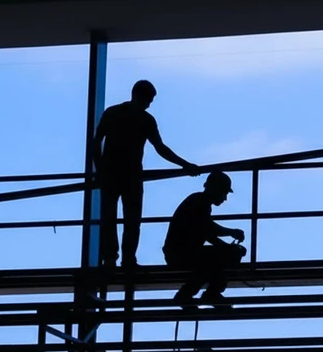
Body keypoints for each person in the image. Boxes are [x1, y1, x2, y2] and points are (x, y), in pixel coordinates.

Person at [93, 80, 198, 268]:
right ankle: (127, 259)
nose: (149, 104)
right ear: (139, 96)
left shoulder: (113, 113)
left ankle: (111, 258)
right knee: (131, 221)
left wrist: (100, 169)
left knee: (110, 218)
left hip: (112, 174)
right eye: (148, 100)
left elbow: (97, 142)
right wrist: (185, 165)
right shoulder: (145, 120)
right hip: (131, 176)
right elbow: (160, 148)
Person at [163, 170, 246, 308]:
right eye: (224, 192)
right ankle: (205, 293)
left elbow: (206, 233)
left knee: (221, 256)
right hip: (180, 254)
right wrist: (231, 233)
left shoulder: (198, 202)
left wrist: (227, 246)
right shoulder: (198, 202)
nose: (225, 198)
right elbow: (207, 228)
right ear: (215, 188)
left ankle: (194, 293)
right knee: (221, 258)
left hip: (180, 253)